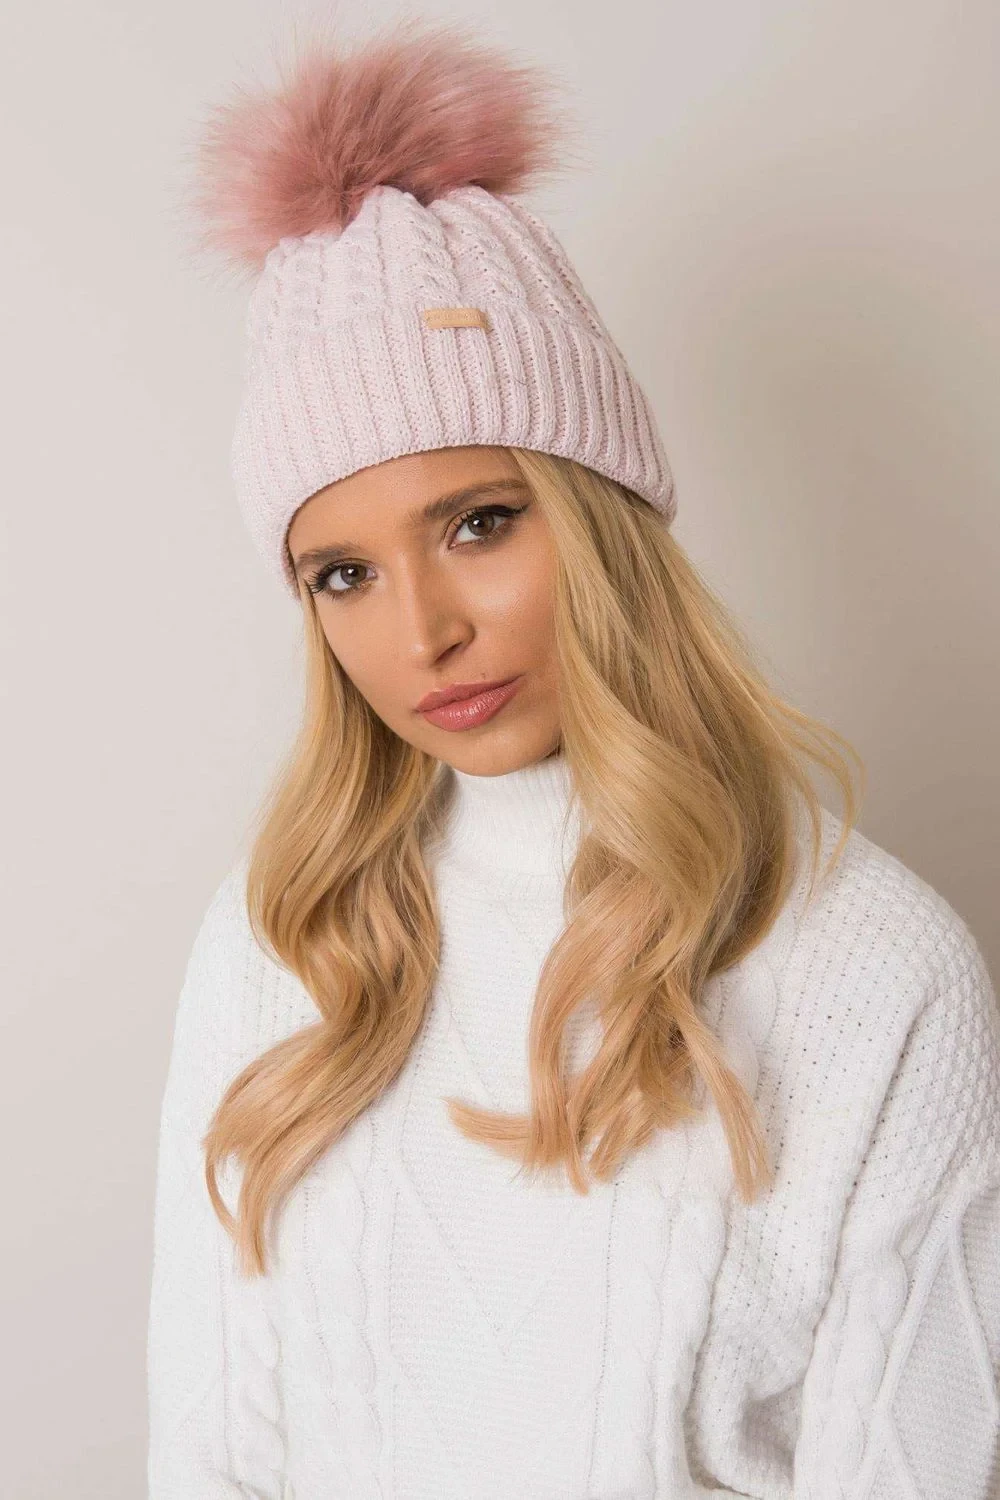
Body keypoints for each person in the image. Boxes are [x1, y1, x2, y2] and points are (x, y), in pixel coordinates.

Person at [147, 17, 1000, 1500]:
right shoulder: (284, 944)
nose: (425, 631)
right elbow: (210, 1458)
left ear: (602, 515)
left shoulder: (874, 968)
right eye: (342, 575)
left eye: (480, 523)